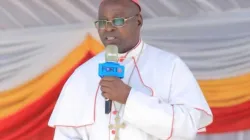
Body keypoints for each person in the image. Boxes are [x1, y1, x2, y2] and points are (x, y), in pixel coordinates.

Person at [48, 0, 213, 139]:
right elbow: (66, 135)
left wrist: (128, 97)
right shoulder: (82, 75)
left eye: (118, 21)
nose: (109, 28)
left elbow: (188, 126)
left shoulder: (169, 66)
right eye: (103, 22)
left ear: (139, 21)